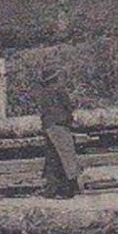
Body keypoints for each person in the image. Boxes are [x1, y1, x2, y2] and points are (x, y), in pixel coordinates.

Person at [34, 70, 82, 199]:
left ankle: (52, 189)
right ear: (55, 79)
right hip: (59, 125)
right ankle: (68, 190)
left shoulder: (43, 93)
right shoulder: (59, 90)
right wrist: (71, 117)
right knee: (67, 157)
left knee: (53, 158)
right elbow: (67, 106)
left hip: (48, 126)